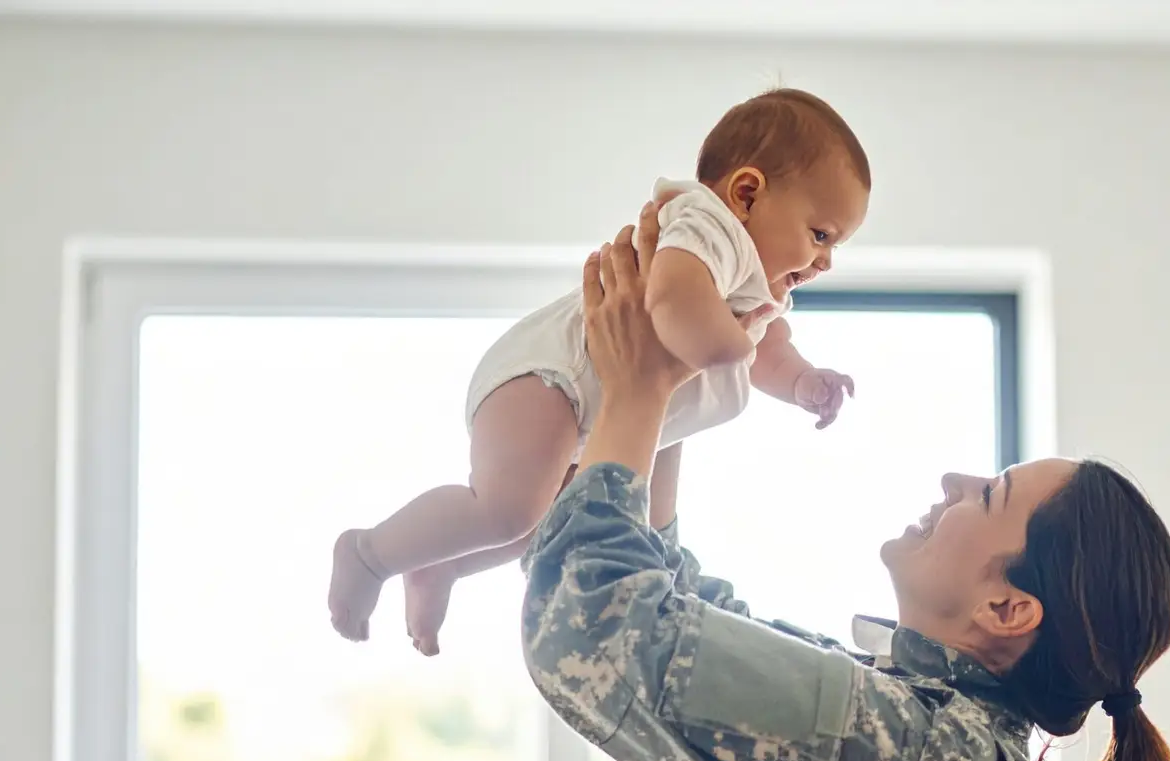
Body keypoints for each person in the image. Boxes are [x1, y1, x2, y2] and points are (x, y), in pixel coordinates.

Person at [519, 205, 1170, 761]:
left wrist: (639, 394)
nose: (952, 483)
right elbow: (677, 608)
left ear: (1007, 606)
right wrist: (671, 392)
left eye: (984, 495)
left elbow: (594, 633)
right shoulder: (930, 741)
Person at [328, 88, 868, 655]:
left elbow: (769, 346)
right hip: (545, 379)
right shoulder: (707, 228)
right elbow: (674, 300)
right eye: (821, 234)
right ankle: (369, 553)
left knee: (542, 524)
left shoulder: (758, 286)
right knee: (508, 507)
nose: (826, 260)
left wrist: (804, 380)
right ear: (747, 193)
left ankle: (438, 565)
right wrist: (730, 348)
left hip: (584, 413)